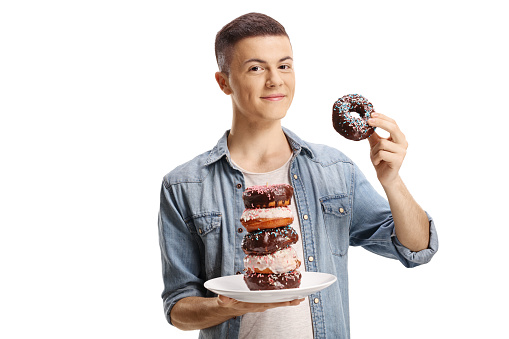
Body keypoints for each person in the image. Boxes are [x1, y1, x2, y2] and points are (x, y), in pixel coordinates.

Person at [158, 12, 438, 339]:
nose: (275, 80)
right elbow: (178, 307)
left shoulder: (333, 170)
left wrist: (392, 181)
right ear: (224, 82)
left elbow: (415, 248)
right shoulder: (185, 185)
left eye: (284, 65)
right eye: (256, 68)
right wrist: (227, 307)